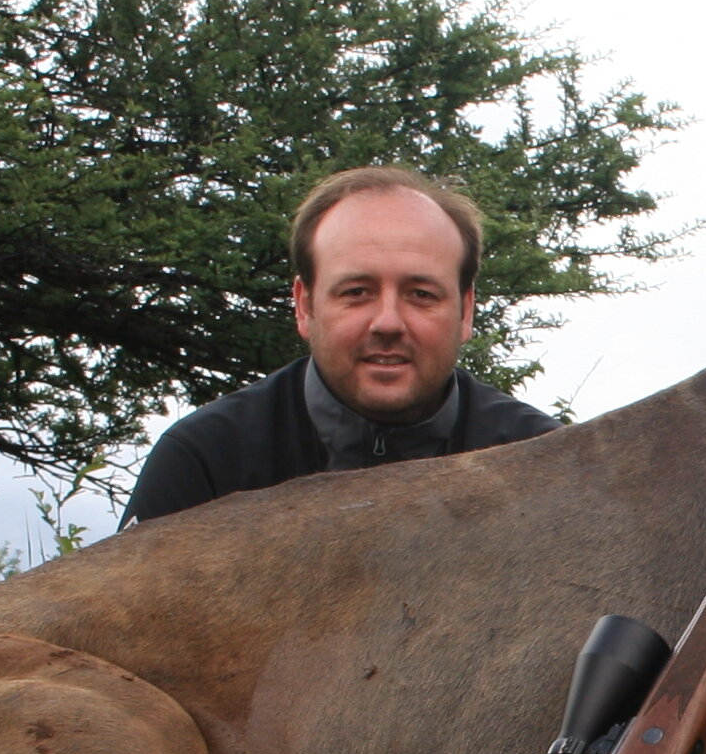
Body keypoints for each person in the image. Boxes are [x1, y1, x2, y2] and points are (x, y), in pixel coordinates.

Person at [124, 164, 558, 526]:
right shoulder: (207, 459)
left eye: (421, 294)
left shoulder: (542, 463)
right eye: (356, 292)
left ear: (465, 311)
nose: (387, 322)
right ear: (304, 305)